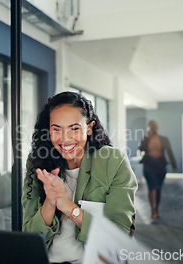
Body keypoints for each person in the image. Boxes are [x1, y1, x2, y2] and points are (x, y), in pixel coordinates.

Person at [22, 92, 138, 264]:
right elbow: (29, 239)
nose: (65, 138)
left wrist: (68, 207)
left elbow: (118, 236)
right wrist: (50, 202)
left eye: (74, 128)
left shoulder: (113, 161)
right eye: (56, 129)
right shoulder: (38, 162)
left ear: (89, 128)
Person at [139, 120, 177, 219]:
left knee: (159, 188)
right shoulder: (146, 138)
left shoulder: (164, 139)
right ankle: (152, 210)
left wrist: (174, 165)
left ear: (157, 127)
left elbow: (170, 152)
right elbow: (141, 149)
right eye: (151, 126)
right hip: (149, 164)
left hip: (160, 165)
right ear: (149, 127)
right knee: (151, 187)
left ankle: (157, 209)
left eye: (154, 126)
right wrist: (147, 138)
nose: (153, 128)